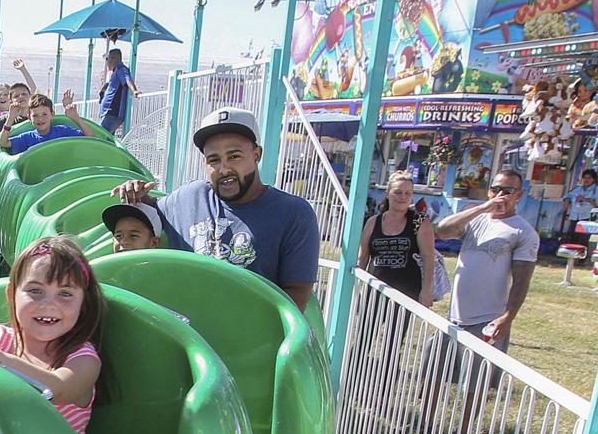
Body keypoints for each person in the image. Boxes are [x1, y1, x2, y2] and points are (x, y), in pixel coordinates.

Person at [110, 106, 320, 309]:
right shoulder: (188, 199)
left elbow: (297, 294)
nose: (224, 168)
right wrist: (135, 194)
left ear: (256, 155)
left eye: (234, 156)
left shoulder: (293, 214)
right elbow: (150, 212)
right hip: (185, 334)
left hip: (251, 340)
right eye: (214, 160)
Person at [420, 169, 538, 434]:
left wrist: (507, 317)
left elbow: (521, 280)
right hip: (454, 315)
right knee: (434, 369)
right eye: (496, 189)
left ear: (519, 195)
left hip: (487, 317)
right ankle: (424, 421)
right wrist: (483, 207)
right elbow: (444, 230)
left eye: (508, 190)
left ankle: (461, 432)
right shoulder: (478, 219)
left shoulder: (523, 232)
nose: (501, 195)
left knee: (475, 381)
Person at [0, 236, 105, 434]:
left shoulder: (83, 359)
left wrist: (3, 362)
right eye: (35, 291)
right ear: (11, 295)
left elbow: (58, 388)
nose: (48, 304)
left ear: (83, 304)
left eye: (65, 293)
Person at [358, 170, 435, 308]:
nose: (403, 197)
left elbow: (428, 257)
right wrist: (357, 284)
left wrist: (426, 290)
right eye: (398, 192)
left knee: (395, 330)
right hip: (375, 288)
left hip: (407, 292)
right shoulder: (373, 222)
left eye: (408, 193)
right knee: (366, 329)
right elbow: (363, 257)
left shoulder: (420, 221)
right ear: (388, 194)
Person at [0, 90, 97, 155]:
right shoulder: (27, 138)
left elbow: (91, 137)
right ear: (29, 117)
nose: (40, 119)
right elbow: (3, 143)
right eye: (35, 115)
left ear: (52, 114)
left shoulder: (63, 132)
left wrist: (76, 118)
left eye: (44, 114)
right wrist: (11, 118)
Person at [99, 48, 140, 135]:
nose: (107, 62)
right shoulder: (116, 71)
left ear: (113, 58)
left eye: (107, 59)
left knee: (100, 137)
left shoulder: (121, 69)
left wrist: (134, 90)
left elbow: (127, 79)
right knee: (107, 140)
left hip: (113, 112)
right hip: (109, 113)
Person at [563, 168, 598, 248]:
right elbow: (568, 196)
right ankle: (571, 258)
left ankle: (581, 258)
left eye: (589, 178)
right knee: (573, 237)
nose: (586, 180)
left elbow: (596, 203)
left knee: (583, 239)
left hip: (587, 217)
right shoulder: (577, 189)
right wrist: (567, 202)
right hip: (575, 216)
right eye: (585, 178)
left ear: (593, 179)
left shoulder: (595, 190)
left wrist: (586, 199)